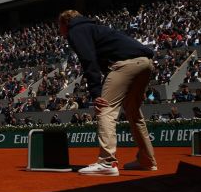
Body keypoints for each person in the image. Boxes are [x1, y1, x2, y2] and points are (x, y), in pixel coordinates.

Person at [59, 10, 157, 176]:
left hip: (125, 65)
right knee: (134, 113)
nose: (59, 30)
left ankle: (107, 162)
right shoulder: (94, 27)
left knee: (105, 108)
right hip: (145, 63)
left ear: (65, 23)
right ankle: (147, 160)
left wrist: (96, 92)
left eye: (59, 26)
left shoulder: (76, 31)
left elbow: (89, 60)